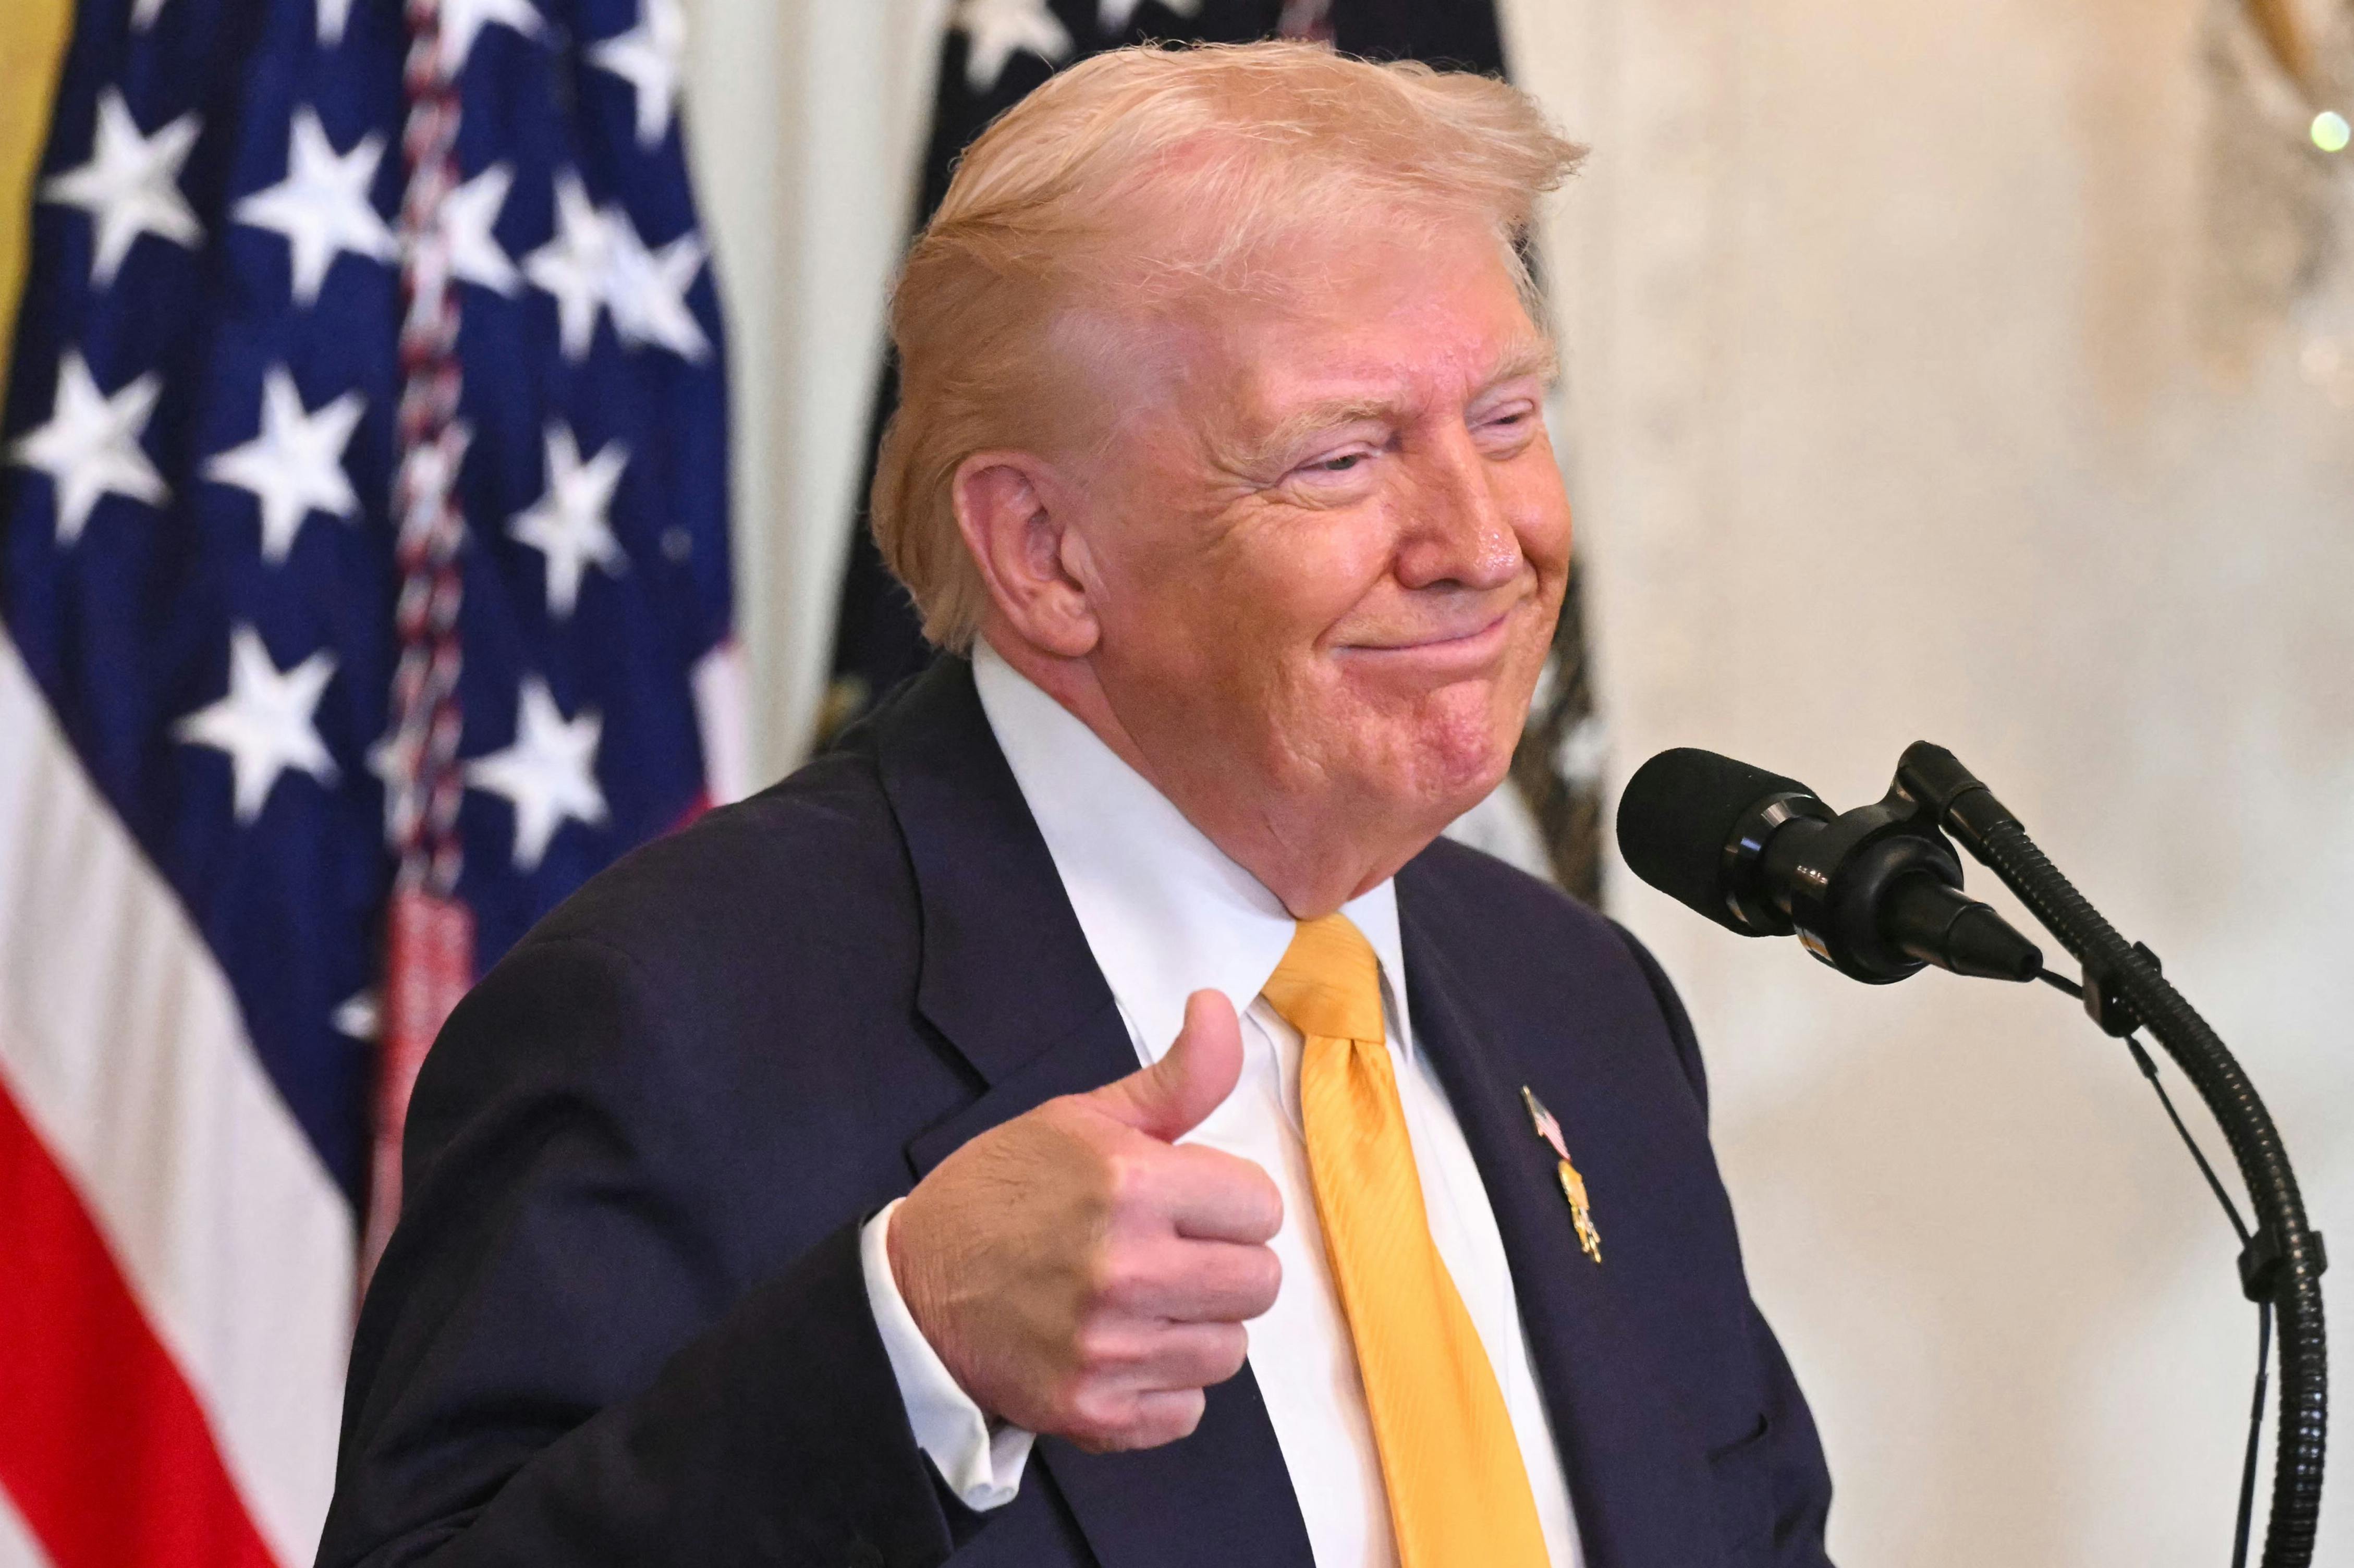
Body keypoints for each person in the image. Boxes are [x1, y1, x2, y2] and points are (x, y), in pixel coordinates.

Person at [318, 41, 1835, 1568]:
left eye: (1506, 421)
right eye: (1343, 455)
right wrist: (903, 1351)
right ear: (1045, 554)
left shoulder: (1577, 1006)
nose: (1479, 541)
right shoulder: (675, 1016)